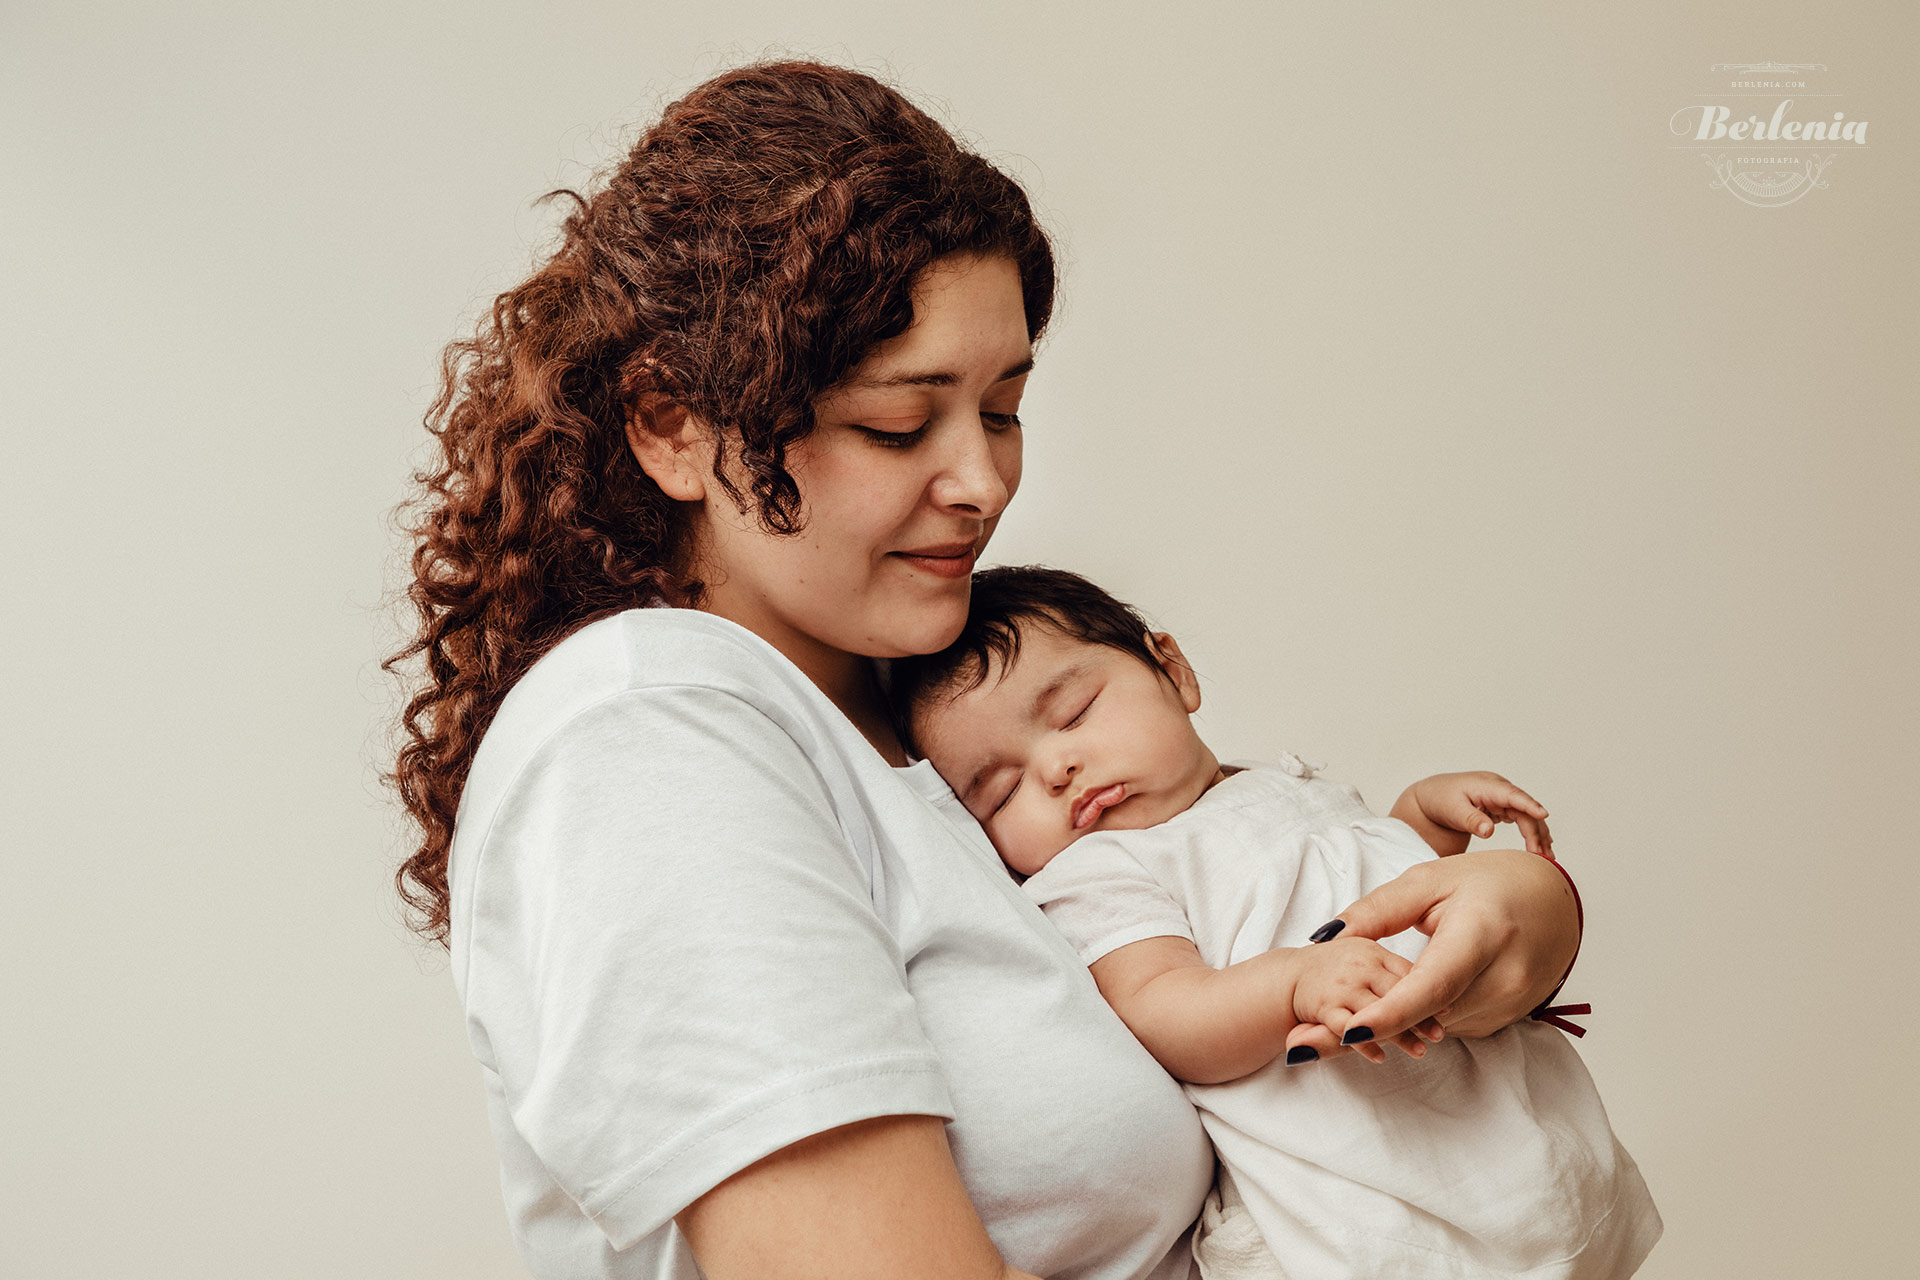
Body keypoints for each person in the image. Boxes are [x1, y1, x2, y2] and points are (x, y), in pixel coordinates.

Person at [389, 61, 1589, 1280]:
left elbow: (1251, 900)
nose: (983, 484)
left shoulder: (924, 721)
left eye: (1004, 409)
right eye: (899, 426)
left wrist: (1515, 930)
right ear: (671, 426)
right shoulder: (651, 738)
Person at [891, 565, 1663, 1279]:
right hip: (1337, 1217)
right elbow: (1163, 1010)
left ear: (1174, 669)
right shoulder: (1098, 873)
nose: (1055, 769)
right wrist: (1293, 982)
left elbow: (1358, 906)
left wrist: (1420, 825)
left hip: (1497, 1148)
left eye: (1073, 712)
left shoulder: (1273, 784)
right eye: (999, 791)